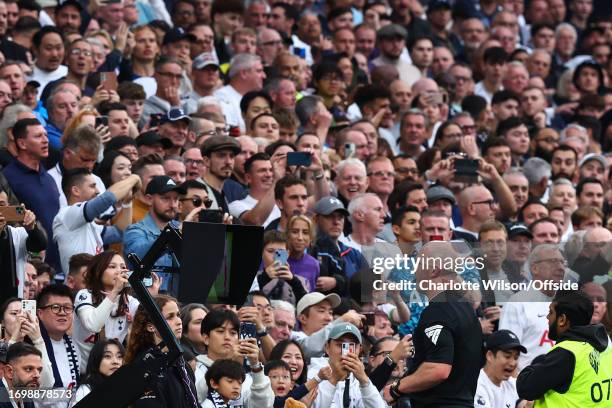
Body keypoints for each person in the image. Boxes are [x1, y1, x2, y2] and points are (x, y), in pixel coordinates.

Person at [387, 241, 483, 408]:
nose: (414, 270)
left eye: (418, 263)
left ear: (434, 270)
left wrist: (397, 388)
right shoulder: (466, 310)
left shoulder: (438, 311)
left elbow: (438, 369)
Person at [517, 290, 612, 406]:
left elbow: (525, 387)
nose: (547, 317)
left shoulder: (567, 353)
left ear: (562, 320)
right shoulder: (607, 348)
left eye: (551, 312)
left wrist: (539, 363)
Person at [72, 251, 153, 371]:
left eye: (123, 267)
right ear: (98, 271)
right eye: (112, 266)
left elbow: (150, 325)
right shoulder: (85, 295)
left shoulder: (129, 301)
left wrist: (151, 296)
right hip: (83, 372)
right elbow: (93, 325)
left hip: (113, 372)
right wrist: (115, 291)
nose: (119, 271)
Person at [53, 168, 141, 275]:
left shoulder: (86, 222)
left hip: (94, 287)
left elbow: (120, 232)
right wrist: (134, 178)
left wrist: (127, 203)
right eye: (92, 186)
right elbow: (106, 199)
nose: (98, 191)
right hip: (79, 288)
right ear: (76, 190)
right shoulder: (67, 215)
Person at [123, 294, 199, 407]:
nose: (179, 321)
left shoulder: (182, 364)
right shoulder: (145, 367)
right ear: (151, 327)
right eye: (170, 317)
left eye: (178, 315)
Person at [194, 309, 274, 406]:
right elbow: (194, 399)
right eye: (220, 331)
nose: (227, 337)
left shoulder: (246, 376)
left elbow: (264, 405)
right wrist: (226, 366)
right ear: (206, 338)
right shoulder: (195, 370)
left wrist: (256, 366)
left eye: (233, 333)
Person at [312, 322, 386, 407]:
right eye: (340, 345)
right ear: (327, 347)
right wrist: (334, 380)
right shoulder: (315, 373)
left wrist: (364, 380)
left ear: (360, 350)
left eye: (351, 346)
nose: (345, 352)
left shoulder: (359, 377)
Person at [0, 187, 46, 300]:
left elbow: (39, 245)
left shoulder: (17, 233)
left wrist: (31, 227)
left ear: (9, 207)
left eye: (2, 205)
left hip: (14, 307)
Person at [474, 330, 527, 408]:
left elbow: (524, 403)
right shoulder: (476, 384)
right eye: (507, 356)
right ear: (490, 355)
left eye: (516, 358)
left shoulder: (511, 384)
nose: (512, 363)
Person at [69, 339, 124, 406]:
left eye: (119, 356)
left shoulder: (125, 388)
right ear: (96, 359)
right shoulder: (85, 391)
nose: (115, 361)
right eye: (107, 356)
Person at [0, 342, 42, 408]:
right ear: (9, 371)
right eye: (29, 369)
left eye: (39, 370)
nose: (37, 375)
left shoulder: (27, 397)